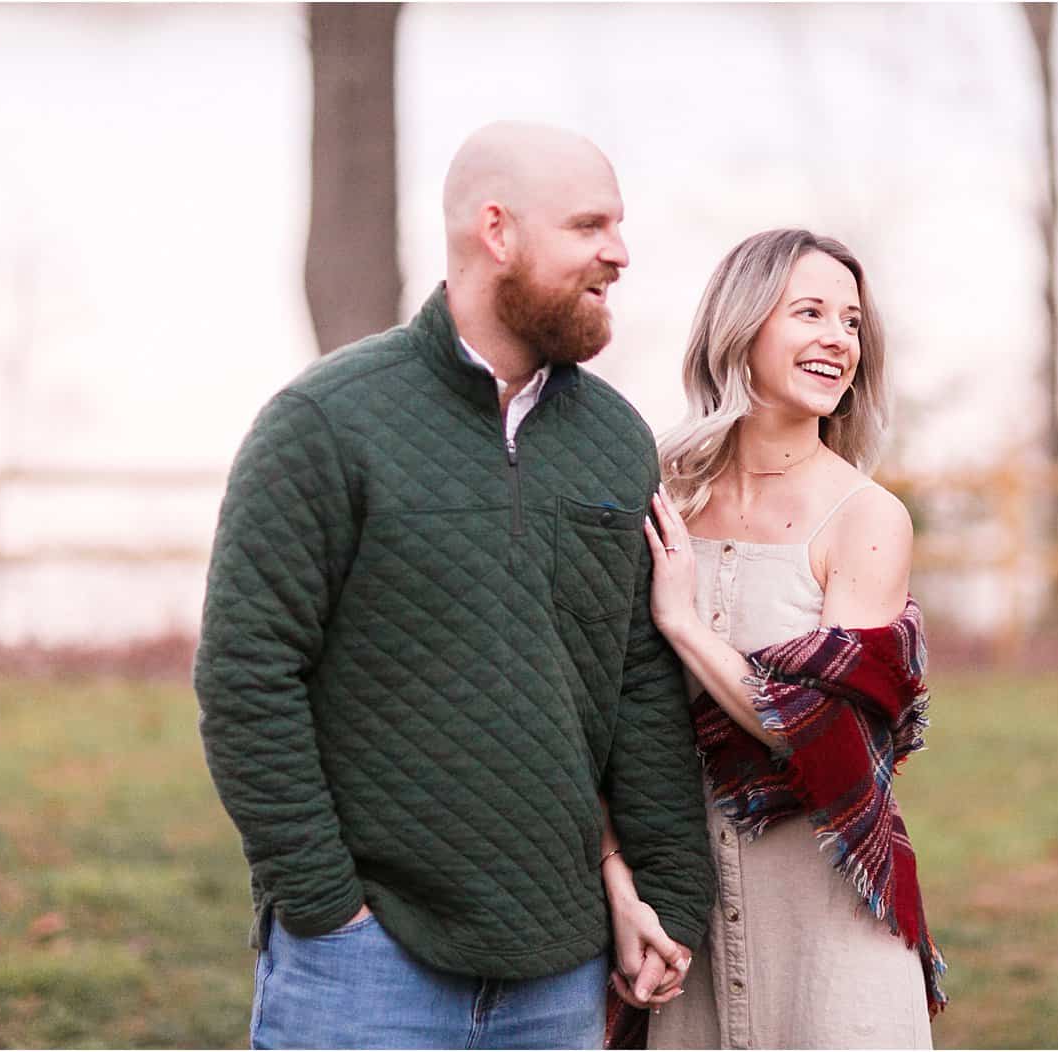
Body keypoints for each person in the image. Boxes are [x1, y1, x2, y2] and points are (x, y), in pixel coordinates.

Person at [193, 121, 712, 1050]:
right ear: (497, 231)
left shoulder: (616, 441)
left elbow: (639, 686)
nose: (619, 254)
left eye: (619, 226)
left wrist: (666, 897)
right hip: (364, 971)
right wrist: (325, 905)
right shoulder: (326, 424)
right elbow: (247, 676)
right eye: (590, 226)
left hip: (559, 975)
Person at [603, 228, 948, 1048]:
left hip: (826, 914)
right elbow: (599, 711)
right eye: (811, 313)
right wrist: (620, 879)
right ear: (742, 326)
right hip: (679, 904)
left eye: (853, 322)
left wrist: (683, 624)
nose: (839, 338)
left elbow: (832, 731)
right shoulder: (661, 498)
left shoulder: (866, 519)